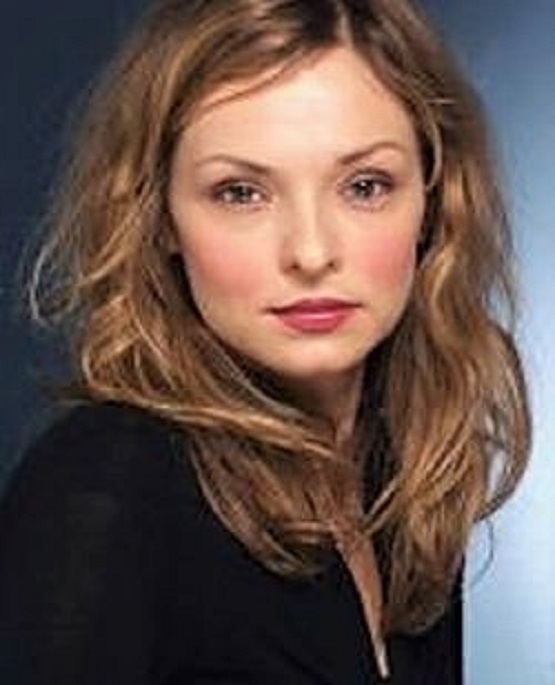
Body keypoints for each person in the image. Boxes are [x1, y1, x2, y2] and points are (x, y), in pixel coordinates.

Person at [0, 0, 531, 682]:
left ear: (434, 200)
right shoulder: (106, 488)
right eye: (241, 192)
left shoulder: (405, 491)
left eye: (364, 186)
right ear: (159, 218)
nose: (310, 251)